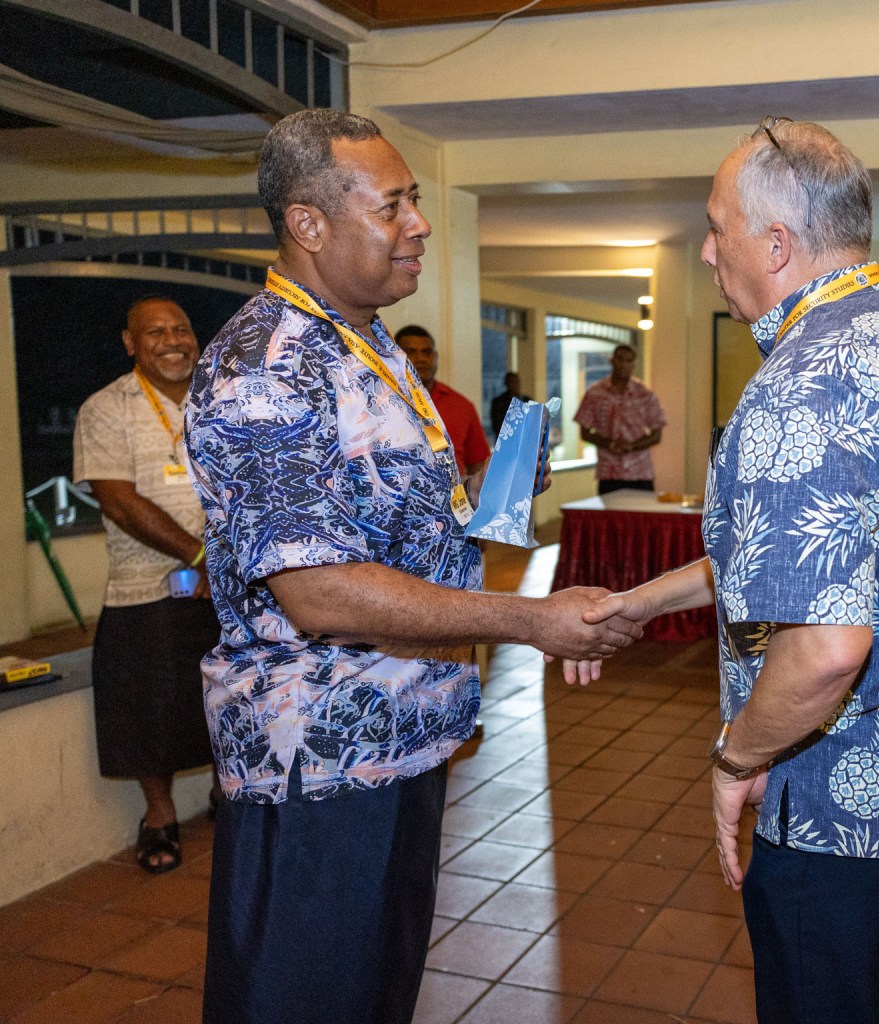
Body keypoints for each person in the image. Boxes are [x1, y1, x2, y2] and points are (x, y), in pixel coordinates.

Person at [185, 108, 641, 1024]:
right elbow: (317, 590)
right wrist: (529, 620)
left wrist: (489, 499)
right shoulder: (268, 366)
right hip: (318, 765)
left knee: (374, 996)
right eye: (392, 206)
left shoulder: (368, 345)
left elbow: (384, 529)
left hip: (400, 743)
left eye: (416, 202)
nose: (420, 224)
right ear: (308, 226)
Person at [572, 118, 879, 1023]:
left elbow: (822, 647)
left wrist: (740, 755)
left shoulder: (802, 386)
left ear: (776, 243)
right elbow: (815, 557)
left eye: (715, 226)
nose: (704, 250)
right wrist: (639, 603)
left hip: (848, 807)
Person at [73, 296, 220, 875]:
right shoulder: (106, 408)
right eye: (154, 332)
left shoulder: (222, 400)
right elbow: (119, 500)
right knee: (146, 705)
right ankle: (159, 816)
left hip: (229, 584)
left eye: (181, 328)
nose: (173, 340)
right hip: (147, 589)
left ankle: (223, 793)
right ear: (131, 344)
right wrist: (199, 553)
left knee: (229, 695)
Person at [393, 324, 490, 476]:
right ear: (394, 355)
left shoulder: (461, 406)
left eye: (427, 352)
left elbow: (478, 468)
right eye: (411, 352)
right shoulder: (378, 402)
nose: (421, 359)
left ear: (435, 357)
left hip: (453, 497)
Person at [573, 343, 667, 494]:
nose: (623, 364)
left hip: (640, 472)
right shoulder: (595, 393)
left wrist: (632, 446)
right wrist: (610, 444)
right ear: (612, 360)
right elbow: (585, 431)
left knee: (641, 517)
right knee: (609, 517)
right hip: (608, 473)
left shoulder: (645, 394)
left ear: (634, 364)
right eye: (620, 359)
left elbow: (657, 434)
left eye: (628, 361)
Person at [490, 369, 530, 436]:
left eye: (516, 382)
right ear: (506, 383)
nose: (515, 385)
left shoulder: (527, 401)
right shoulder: (498, 403)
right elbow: (497, 425)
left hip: (524, 439)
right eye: (512, 382)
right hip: (505, 439)